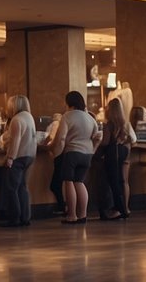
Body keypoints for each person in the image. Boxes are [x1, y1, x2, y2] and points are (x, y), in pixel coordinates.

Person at [53, 90, 101, 224]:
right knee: (79, 182)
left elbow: (61, 138)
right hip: (87, 154)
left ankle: (72, 215)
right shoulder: (90, 118)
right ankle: (83, 215)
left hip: (72, 152)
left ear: (68, 103)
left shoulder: (67, 116)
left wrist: (55, 151)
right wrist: (92, 151)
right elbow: (96, 137)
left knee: (68, 182)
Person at [0, 94, 37, 227]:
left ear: (14, 105)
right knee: (22, 187)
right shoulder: (29, 117)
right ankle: (25, 217)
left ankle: (14, 218)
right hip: (30, 156)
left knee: (11, 188)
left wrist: (10, 158)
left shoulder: (16, 119)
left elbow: (16, 141)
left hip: (19, 156)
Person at [98, 97, 134, 220]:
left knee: (113, 182)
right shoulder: (124, 123)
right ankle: (123, 208)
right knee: (120, 181)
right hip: (123, 152)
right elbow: (132, 139)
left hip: (113, 153)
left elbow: (105, 142)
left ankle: (119, 209)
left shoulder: (109, 125)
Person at [43, 112, 65, 212]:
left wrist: (45, 144)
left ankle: (62, 207)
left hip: (58, 155)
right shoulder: (63, 125)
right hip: (61, 155)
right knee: (58, 184)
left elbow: (51, 137)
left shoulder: (56, 124)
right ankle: (62, 206)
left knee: (55, 184)